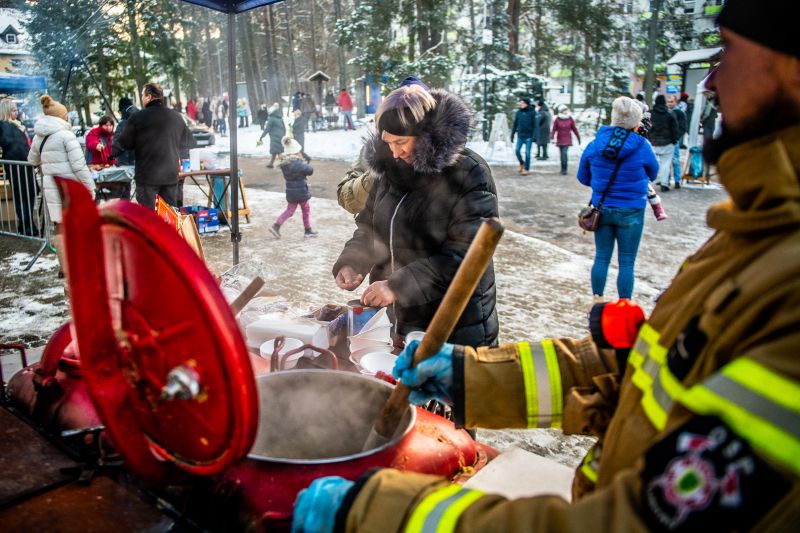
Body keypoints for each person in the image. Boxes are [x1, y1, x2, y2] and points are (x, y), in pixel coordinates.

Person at [291, 3, 800, 530]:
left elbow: (632, 523)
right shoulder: (756, 235)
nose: (713, 79)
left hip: (456, 315)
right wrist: (469, 378)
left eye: (729, 52)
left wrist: (380, 512)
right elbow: (639, 372)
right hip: (417, 327)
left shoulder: (786, 278)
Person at [332, 84, 499, 346]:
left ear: (425, 134)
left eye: (401, 142)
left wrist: (397, 286)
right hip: (399, 322)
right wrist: (353, 261)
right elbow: (369, 227)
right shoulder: (390, 168)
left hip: (453, 326)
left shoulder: (468, 172)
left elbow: (465, 256)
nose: (396, 152)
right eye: (388, 143)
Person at [578, 96, 659, 300]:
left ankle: (597, 300)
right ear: (635, 122)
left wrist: (601, 186)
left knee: (602, 257)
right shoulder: (642, 146)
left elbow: (583, 176)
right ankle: (624, 304)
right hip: (632, 210)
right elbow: (654, 172)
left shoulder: (595, 144)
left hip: (602, 208)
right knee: (627, 261)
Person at [28, 95, 95, 274]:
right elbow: (79, 166)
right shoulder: (66, 135)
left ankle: (64, 266)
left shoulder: (38, 136)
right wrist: (90, 187)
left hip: (51, 187)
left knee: (60, 225)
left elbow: (31, 159)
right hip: (70, 187)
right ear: (61, 117)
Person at [116, 82, 194, 209]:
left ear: (149, 97)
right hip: (170, 175)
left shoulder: (138, 117)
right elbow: (189, 142)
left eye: (142, 95)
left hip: (148, 177)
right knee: (168, 216)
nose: (141, 98)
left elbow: (124, 143)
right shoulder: (175, 116)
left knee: (149, 218)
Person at [0, 97, 38, 236]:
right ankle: (26, 225)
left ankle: (28, 224)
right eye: (14, 110)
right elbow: (12, 145)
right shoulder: (3, 126)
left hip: (25, 164)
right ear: (7, 111)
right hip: (16, 165)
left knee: (29, 193)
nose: (17, 112)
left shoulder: (18, 125)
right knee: (22, 195)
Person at [268, 136, 318, 239]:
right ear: (296, 152)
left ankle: (276, 226)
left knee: (290, 210)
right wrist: (304, 162)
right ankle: (307, 230)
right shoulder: (298, 163)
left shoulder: (285, 164)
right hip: (301, 191)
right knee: (305, 209)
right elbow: (310, 171)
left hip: (290, 191)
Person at [650, 94, 680, 191]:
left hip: (652, 143)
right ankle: (664, 184)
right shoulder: (670, 114)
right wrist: (675, 140)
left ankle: (646, 182)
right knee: (665, 164)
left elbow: (646, 128)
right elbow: (675, 129)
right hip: (667, 143)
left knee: (649, 162)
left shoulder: (650, 113)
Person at [550, 105, 581, 175]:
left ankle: (565, 169)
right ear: (561, 111)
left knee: (564, 154)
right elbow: (554, 129)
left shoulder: (570, 119)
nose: (566, 112)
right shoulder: (557, 119)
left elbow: (574, 129)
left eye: (566, 110)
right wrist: (552, 136)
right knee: (562, 154)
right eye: (564, 111)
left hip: (567, 139)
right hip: (560, 139)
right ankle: (562, 168)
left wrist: (578, 137)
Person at [510, 97, 536, 176]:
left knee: (527, 153)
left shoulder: (532, 112)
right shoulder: (518, 113)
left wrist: (534, 136)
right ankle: (522, 163)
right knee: (517, 151)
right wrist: (512, 134)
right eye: (520, 103)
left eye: (523, 103)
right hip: (520, 136)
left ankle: (526, 169)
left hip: (529, 136)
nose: (521, 104)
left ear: (527, 104)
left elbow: (535, 125)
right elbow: (515, 124)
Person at [667, 95, 688, 188]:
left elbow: (683, 127)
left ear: (676, 102)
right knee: (666, 161)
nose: (669, 103)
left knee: (675, 160)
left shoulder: (679, 113)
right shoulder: (667, 112)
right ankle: (666, 179)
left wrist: (676, 137)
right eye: (668, 102)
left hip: (674, 140)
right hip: (666, 140)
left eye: (671, 102)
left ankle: (677, 180)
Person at [258, 103, 286, 168]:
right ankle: (271, 163)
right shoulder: (280, 118)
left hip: (274, 137)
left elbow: (267, 129)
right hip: (280, 136)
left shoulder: (271, 119)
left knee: (277, 151)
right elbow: (284, 128)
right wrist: (283, 135)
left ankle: (283, 163)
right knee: (276, 150)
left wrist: (262, 136)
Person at [701, 96, 719, 178]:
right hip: (712, 126)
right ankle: (707, 171)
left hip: (707, 126)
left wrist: (702, 120)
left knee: (706, 147)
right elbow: (716, 116)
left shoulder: (709, 105)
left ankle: (705, 171)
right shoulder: (715, 106)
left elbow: (706, 114)